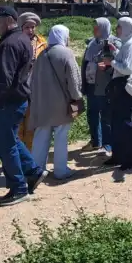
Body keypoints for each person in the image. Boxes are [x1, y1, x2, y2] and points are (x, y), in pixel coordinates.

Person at [0, 6, 47, 206]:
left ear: (8, 19)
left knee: (6, 146)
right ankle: (33, 171)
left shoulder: (10, 43)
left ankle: (19, 189)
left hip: (8, 102)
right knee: (12, 140)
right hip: (18, 100)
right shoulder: (20, 39)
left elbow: (2, 79)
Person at [0, 12, 47, 149]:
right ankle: (20, 160)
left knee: (31, 126)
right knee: (17, 129)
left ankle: (29, 159)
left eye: (33, 27)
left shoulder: (42, 43)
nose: (30, 30)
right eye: (27, 27)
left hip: (35, 91)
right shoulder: (13, 42)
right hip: (17, 91)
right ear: (20, 27)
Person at [28, 25, 81, 181]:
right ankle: (60, 170)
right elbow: (73, 79)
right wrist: (76, 96)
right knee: (61, 136)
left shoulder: (42, 54)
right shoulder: (66, 53)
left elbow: (33, 81)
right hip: (61, 104)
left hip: (42, 104)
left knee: (40, 136)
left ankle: (37, 171)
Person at [101, 18, 132, 170]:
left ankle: (129, 159)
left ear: (126, 28)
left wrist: (110, 62)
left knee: (125, 124)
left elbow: (127, 68)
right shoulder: (129, 42)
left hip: (127, 87)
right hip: (123, 87)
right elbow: (125, 59)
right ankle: (118, 155)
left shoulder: (131, 44)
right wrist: (115, 51)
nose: (117, 29)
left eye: (119, 27)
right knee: (117, 122)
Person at [81, 18, 120, 157]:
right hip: (92, 84)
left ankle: (107, 145)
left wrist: (108, 65)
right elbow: (85, 62)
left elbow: (119, 61)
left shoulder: (114, 42)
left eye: (97, 27)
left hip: (105, 85)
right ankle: (95, 141)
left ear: (104, 28)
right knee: (92, 113)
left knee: (106, 115)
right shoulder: (92, 43)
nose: (94, 29)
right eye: (94, 27)